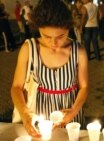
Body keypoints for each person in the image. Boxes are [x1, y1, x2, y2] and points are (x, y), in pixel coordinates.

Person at [11, 0, 88, 138]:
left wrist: (73, 111)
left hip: (70, 113)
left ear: (68, 28)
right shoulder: (29, 48)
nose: (53, 43)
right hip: (40, 115)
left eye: (60, 36)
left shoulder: (78, 51)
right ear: (38, 28)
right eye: (46, 36)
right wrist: (25, 114)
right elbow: (16, 87)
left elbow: (84, 86)